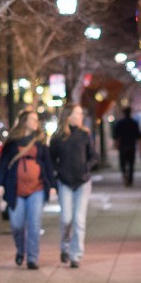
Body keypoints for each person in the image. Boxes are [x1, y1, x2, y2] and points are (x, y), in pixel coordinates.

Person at [0, 109, 55, 270]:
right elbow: (3, 164)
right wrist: (0, 184)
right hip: (15, 189)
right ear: (24, 121)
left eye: (37, 120)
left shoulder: (40, 141)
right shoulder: (13, 142)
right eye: (32, 119)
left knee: (34, 224)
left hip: (37, 188)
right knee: (16, 225)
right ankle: (21, 250)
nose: (36, 123)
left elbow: (48, 164)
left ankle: (32, 258)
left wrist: (52, 185)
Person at [50, 105, 97, 268]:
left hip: (82, 182)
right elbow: (51, 159)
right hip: (65, 182)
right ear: (68, 116)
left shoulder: (85, 134)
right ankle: (65, 247)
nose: (80, 115)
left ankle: (75, 254)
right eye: (77, 113)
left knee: (79, 220)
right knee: (66, 219)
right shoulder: (57, 137)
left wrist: (86, 167)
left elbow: (93, 156)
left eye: (80, 113)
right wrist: (58, 173)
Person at [111, 107, 141, 186]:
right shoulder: (134, 123)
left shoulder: (120, 123)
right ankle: (130, 179)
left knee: (123, 163)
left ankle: (124, 175)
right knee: (131, 164)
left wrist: (116, 144)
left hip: (123, 146)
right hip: (131, 145)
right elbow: (138, 136)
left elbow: (116, 135)